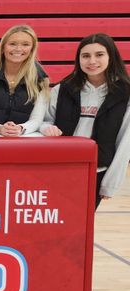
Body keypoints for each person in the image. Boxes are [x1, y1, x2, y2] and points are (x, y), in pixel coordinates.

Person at [41, 33, 130, 209]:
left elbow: (125, 143)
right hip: (61, 169)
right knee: (56, 221)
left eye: (99, 55)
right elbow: (44, 122)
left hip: (97, 172)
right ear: (78, 59)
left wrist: (109, 183)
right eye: (86, 56)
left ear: (111, 57)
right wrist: (46, 128)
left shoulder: (125, 93)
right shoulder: (63, 88)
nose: (92, 61)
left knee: (81, 226)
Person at [0, 25, 49, 136]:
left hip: (22, 143)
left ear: (32, 49)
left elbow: (37, 120)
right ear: (3, 48)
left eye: (25, 44)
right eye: (12, 44)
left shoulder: (41, 80)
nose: (18, 49)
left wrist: (20, 128)